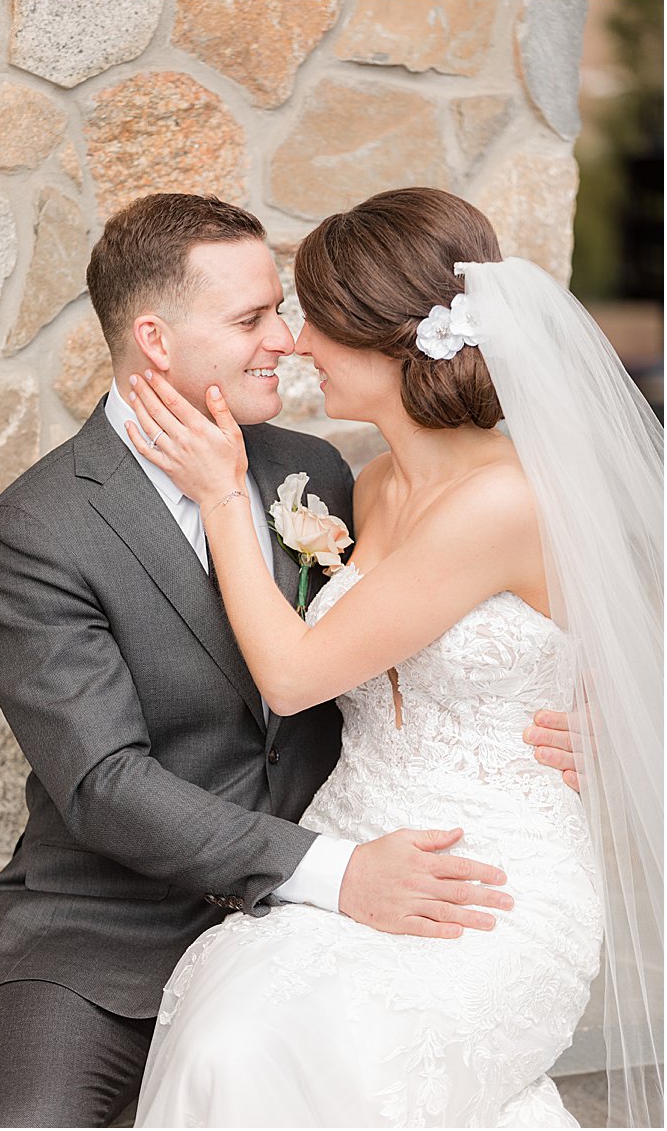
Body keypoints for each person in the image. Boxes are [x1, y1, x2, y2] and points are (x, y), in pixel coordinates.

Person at [0, 193, 581, 1127]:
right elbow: (104, 783)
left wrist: (605, 714)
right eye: (253, 317)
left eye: (286, 313)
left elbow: (550, 616)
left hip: (354, 900)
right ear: (157, 342)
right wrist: (336, 873)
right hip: (107, 934)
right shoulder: (35, 531)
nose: (287, 341)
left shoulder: (320, 473)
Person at [125, 188, 662, 1126]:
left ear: (384, 337)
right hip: (356, 843)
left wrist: (218, 499)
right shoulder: (367, 485)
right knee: (227, 1039)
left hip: (488, 884)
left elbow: (293, 675)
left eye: (311, 319)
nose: (292, 343)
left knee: (331, 1059)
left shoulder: (502, 502)